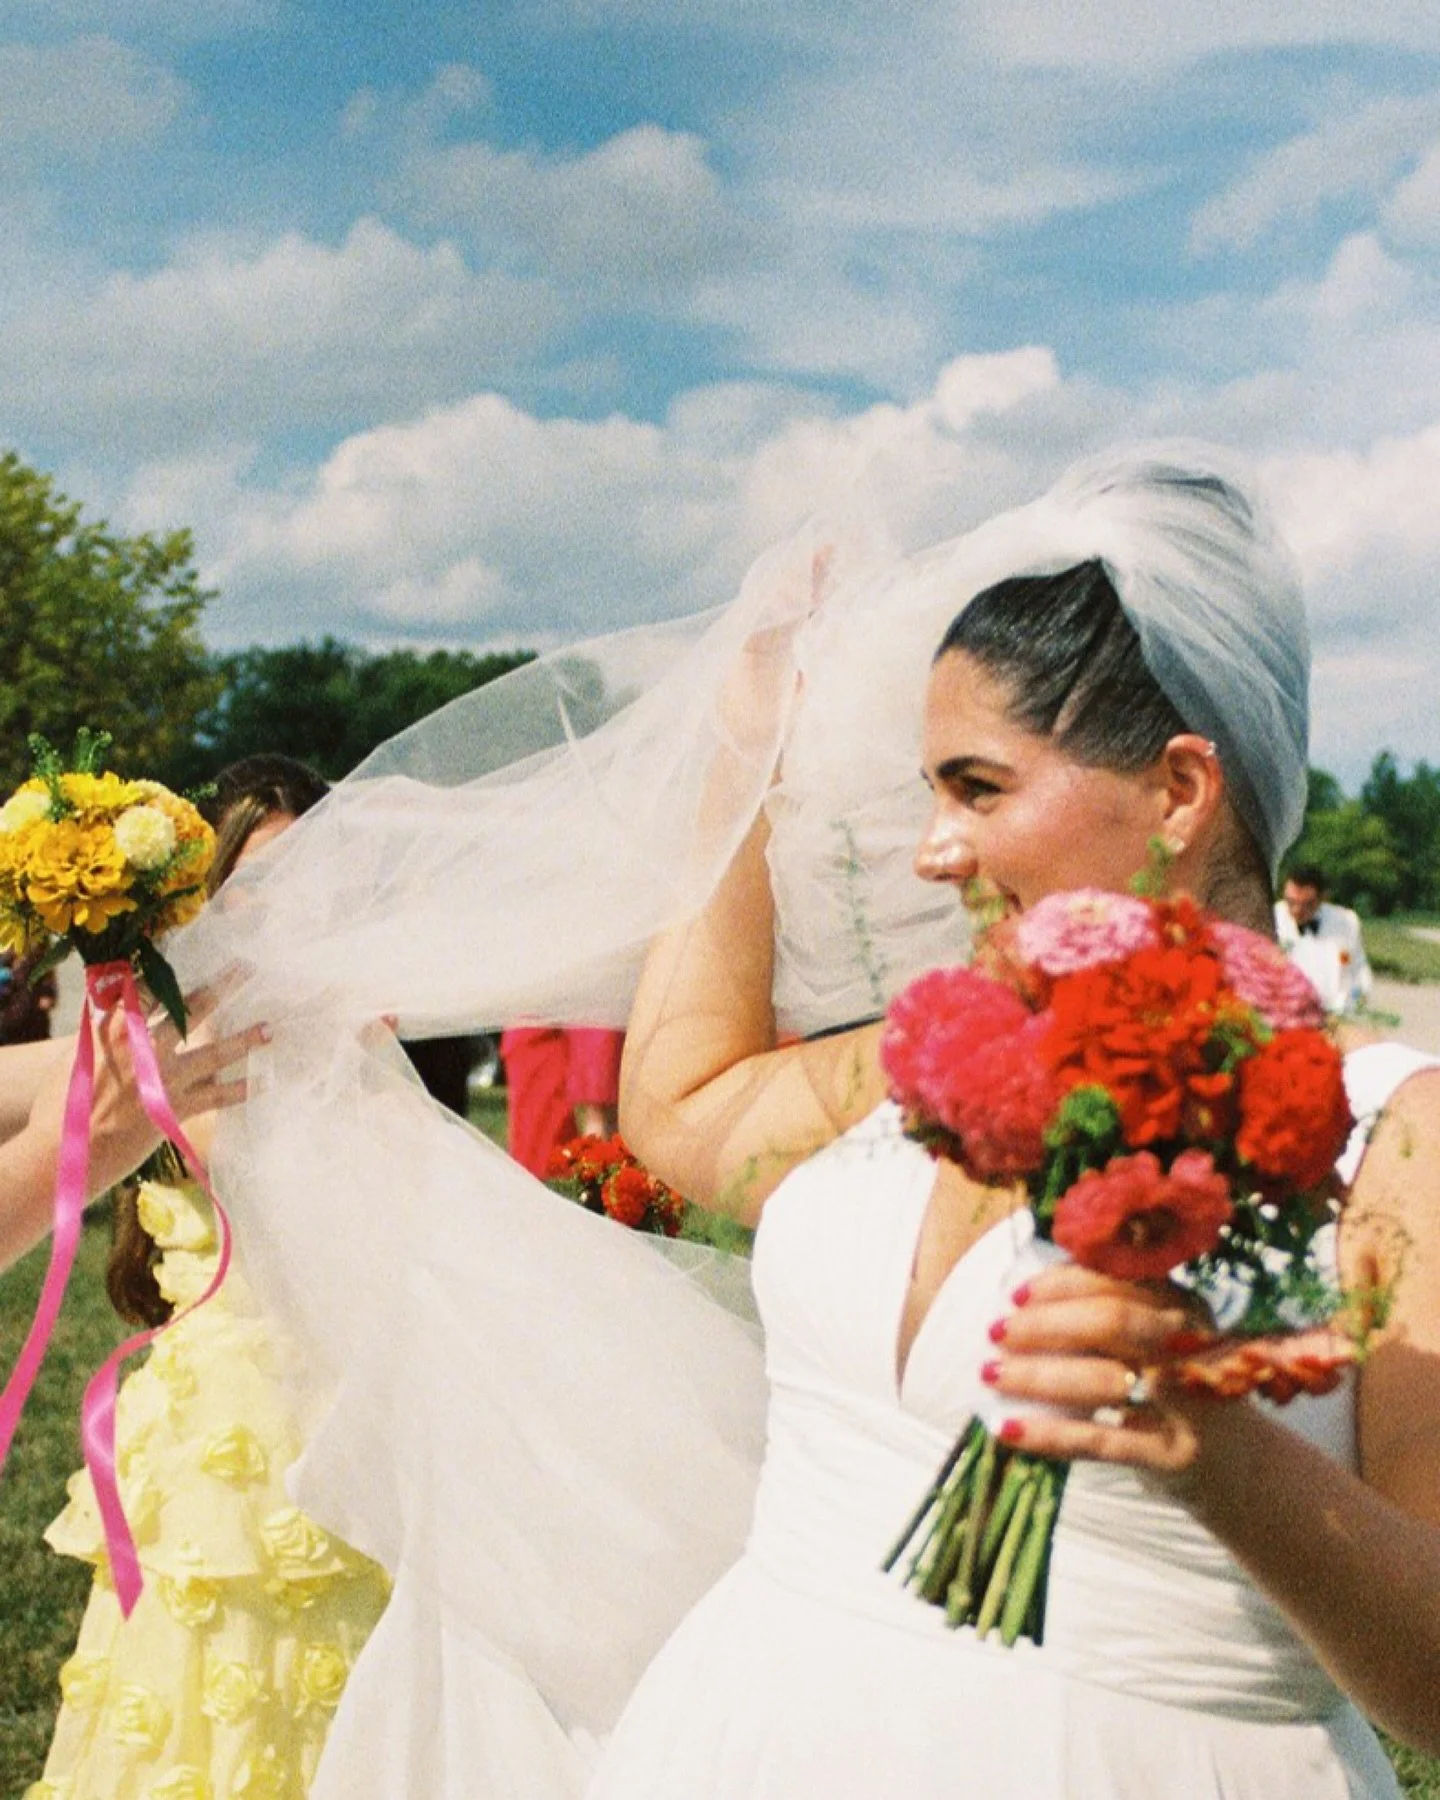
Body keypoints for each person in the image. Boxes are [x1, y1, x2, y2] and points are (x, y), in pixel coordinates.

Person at [166, 447, 1438, 1799]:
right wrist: (741, 756)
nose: (930, 850)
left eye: (978, 789)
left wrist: (1206, 1441)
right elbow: (683, 1101)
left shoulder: (1391, 1141)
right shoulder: (942, 1055)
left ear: (1181, 792)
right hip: (746, 1738)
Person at [27, 755, 390, 1800]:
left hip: (338, 1415)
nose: (287, 916)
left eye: (313, 886)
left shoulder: (350, 1043)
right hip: (215, 1433)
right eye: (258, 888)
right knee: (199, 1680)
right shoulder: (171, 1046)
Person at [500, 1026, 625, 1175]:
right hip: (536, 1012)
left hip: (594, 1007)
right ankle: (542, 1185)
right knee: (534, 1120)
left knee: (601, 1112)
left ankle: (598, 1189)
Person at [1275, 861, 1373, 1015]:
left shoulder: (1346, 921)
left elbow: (1358, 970)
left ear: (1323, 898)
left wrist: (1354, 1004)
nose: (1296, 911)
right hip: (1285, 1012)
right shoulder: (1273, 917)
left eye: (1307, 904)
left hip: (1335, 1014)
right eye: (1291, 902)